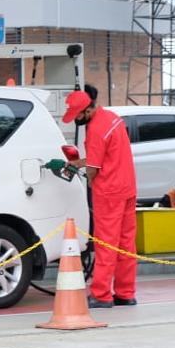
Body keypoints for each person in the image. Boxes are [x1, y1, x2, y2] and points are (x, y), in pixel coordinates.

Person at [64, 90, 138, 308]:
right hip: (127, 187)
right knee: (126, 243)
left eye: (77, 115)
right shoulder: (112, 118)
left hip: (109, 192)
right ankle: (126, 293)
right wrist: (80, 163)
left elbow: (95, 169)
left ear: (87, 110)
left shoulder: (95, 129)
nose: (76, 119)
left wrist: (88, 180)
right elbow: (105, 155)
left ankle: (101, 294)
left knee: (106, 243)